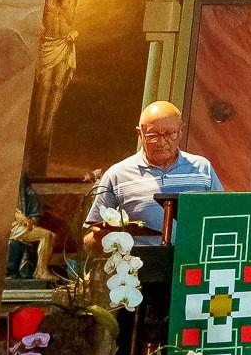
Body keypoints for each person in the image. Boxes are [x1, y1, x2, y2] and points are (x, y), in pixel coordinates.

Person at [84, 100, 220, 248]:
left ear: (181, 132)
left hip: (190, 266)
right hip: (139, 267)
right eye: (152, 135)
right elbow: (88, 241)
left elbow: (224, 218)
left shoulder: (202, 169)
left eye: (170, 134)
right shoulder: (117, 175)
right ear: (139, 134)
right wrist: (101, 238)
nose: (161, 142)